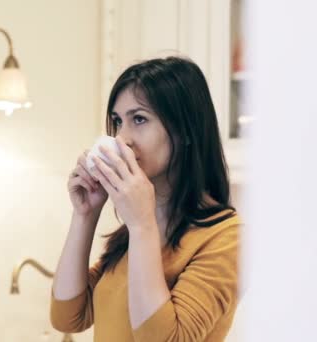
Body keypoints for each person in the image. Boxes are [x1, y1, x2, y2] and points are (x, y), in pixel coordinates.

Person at [50, 57, 240, 342]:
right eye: (117, 121)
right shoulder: (132, 235)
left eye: (139, 119)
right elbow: (67, 316)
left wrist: (141, 225)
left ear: (185, 131)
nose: (122, 139)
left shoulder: (227, 237)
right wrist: (85, 215)